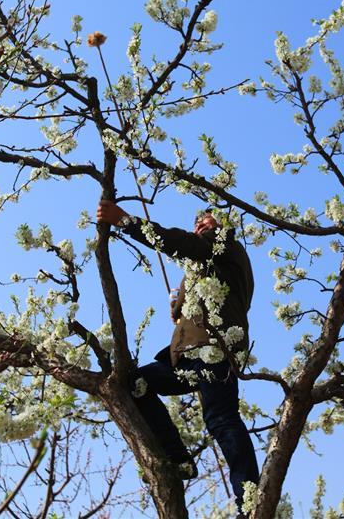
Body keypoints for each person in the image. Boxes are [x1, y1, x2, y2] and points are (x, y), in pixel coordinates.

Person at [96, 200, 259, 513]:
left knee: (221, 419)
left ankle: (248, 500)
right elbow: (190, 297)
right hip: (188, 357)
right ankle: (177, 458)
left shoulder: (223, 245)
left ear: (222, 226)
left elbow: (181, 243)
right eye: (196, 221)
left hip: (216, 351)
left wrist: (126, 221)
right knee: (137, 382)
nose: (200, 224)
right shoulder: (203, 266)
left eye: (207, 219)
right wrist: (179, 306)